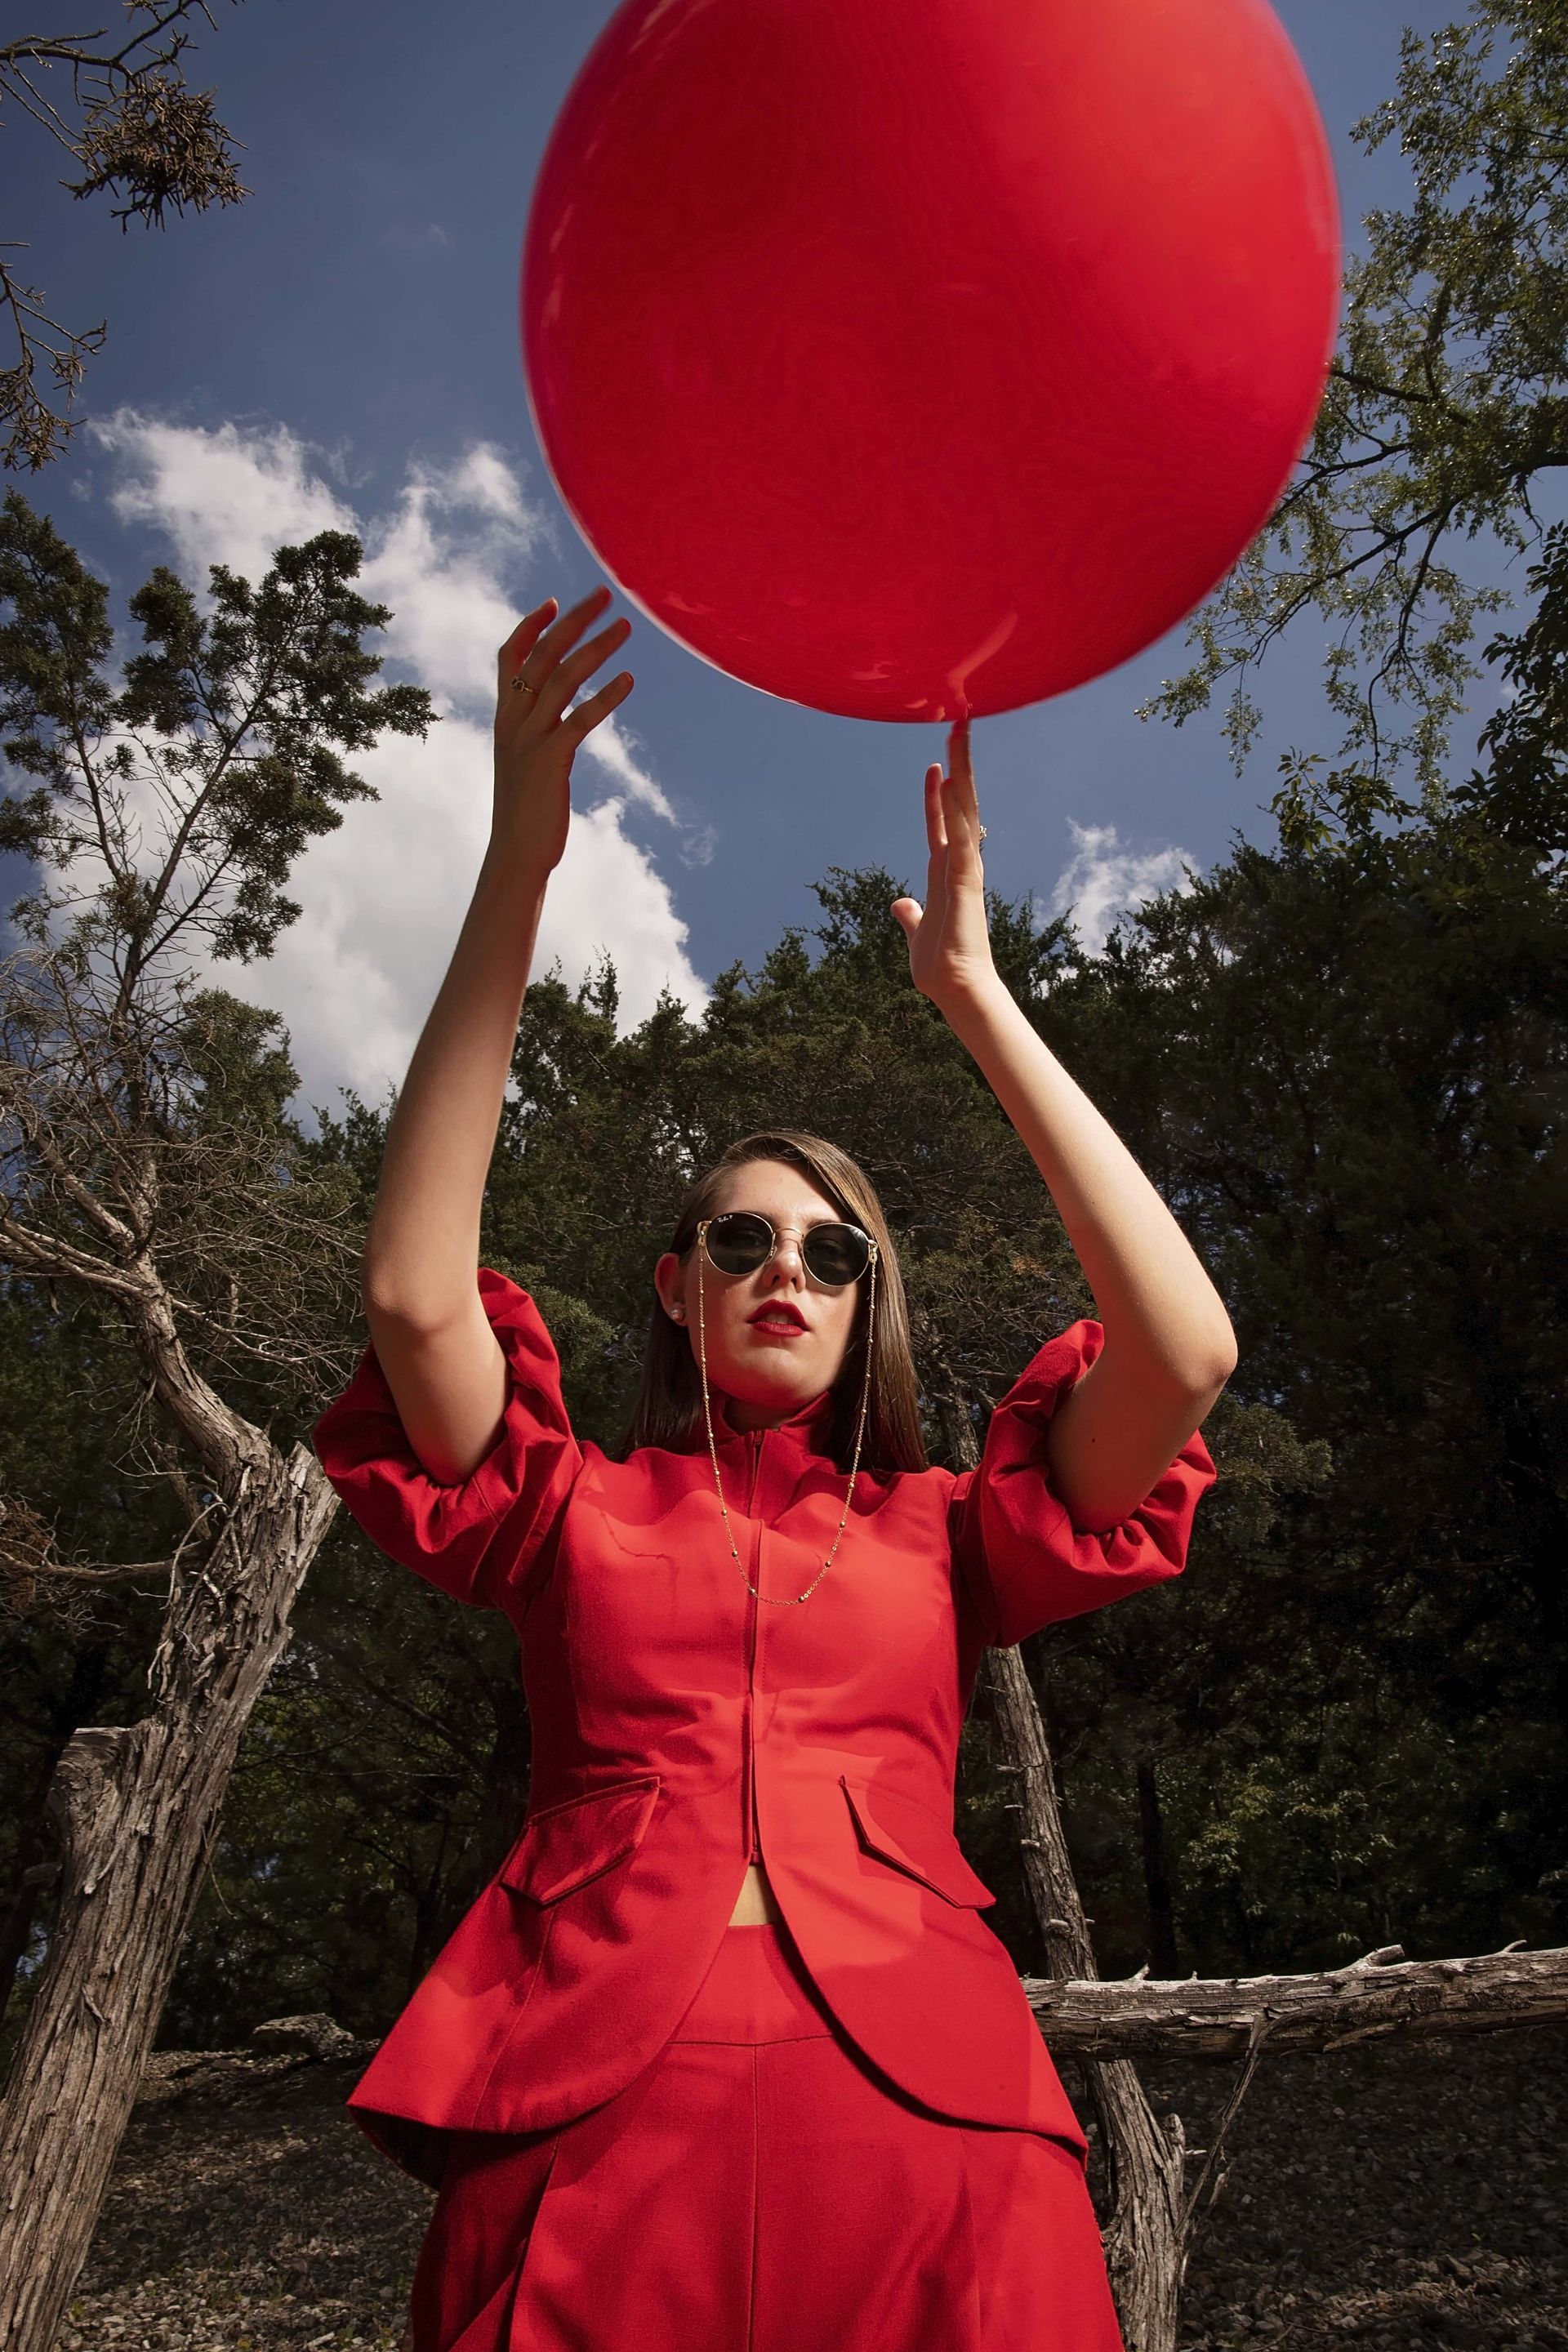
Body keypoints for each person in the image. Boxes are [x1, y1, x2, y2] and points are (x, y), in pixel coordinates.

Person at [312, 586, 1235, 2352]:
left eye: (831, 1252)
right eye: (740, 1239)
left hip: (933, 2119)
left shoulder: (953, 1532)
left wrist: (975, 996)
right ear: (677, 1283)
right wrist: (518, 866)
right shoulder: (562, 1504)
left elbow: (1186, 1355)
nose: (785, 1274)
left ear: (867, 1293)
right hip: (587, 2107)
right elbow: (410, 1293)